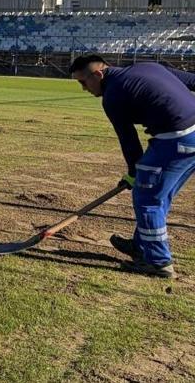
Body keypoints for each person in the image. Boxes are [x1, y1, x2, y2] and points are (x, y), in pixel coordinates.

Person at [70, 54, 195, 278]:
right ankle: (142, 245)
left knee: (147, 200)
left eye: (83, 82)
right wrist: (135, 174)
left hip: (176, 139)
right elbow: (192, 81)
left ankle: (158, 262)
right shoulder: (150, 66)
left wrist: (134, 174)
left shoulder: (112, 96)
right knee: (159, 193)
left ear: (98, 73)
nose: (83, 89)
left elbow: (129, 141)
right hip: (188, 134)